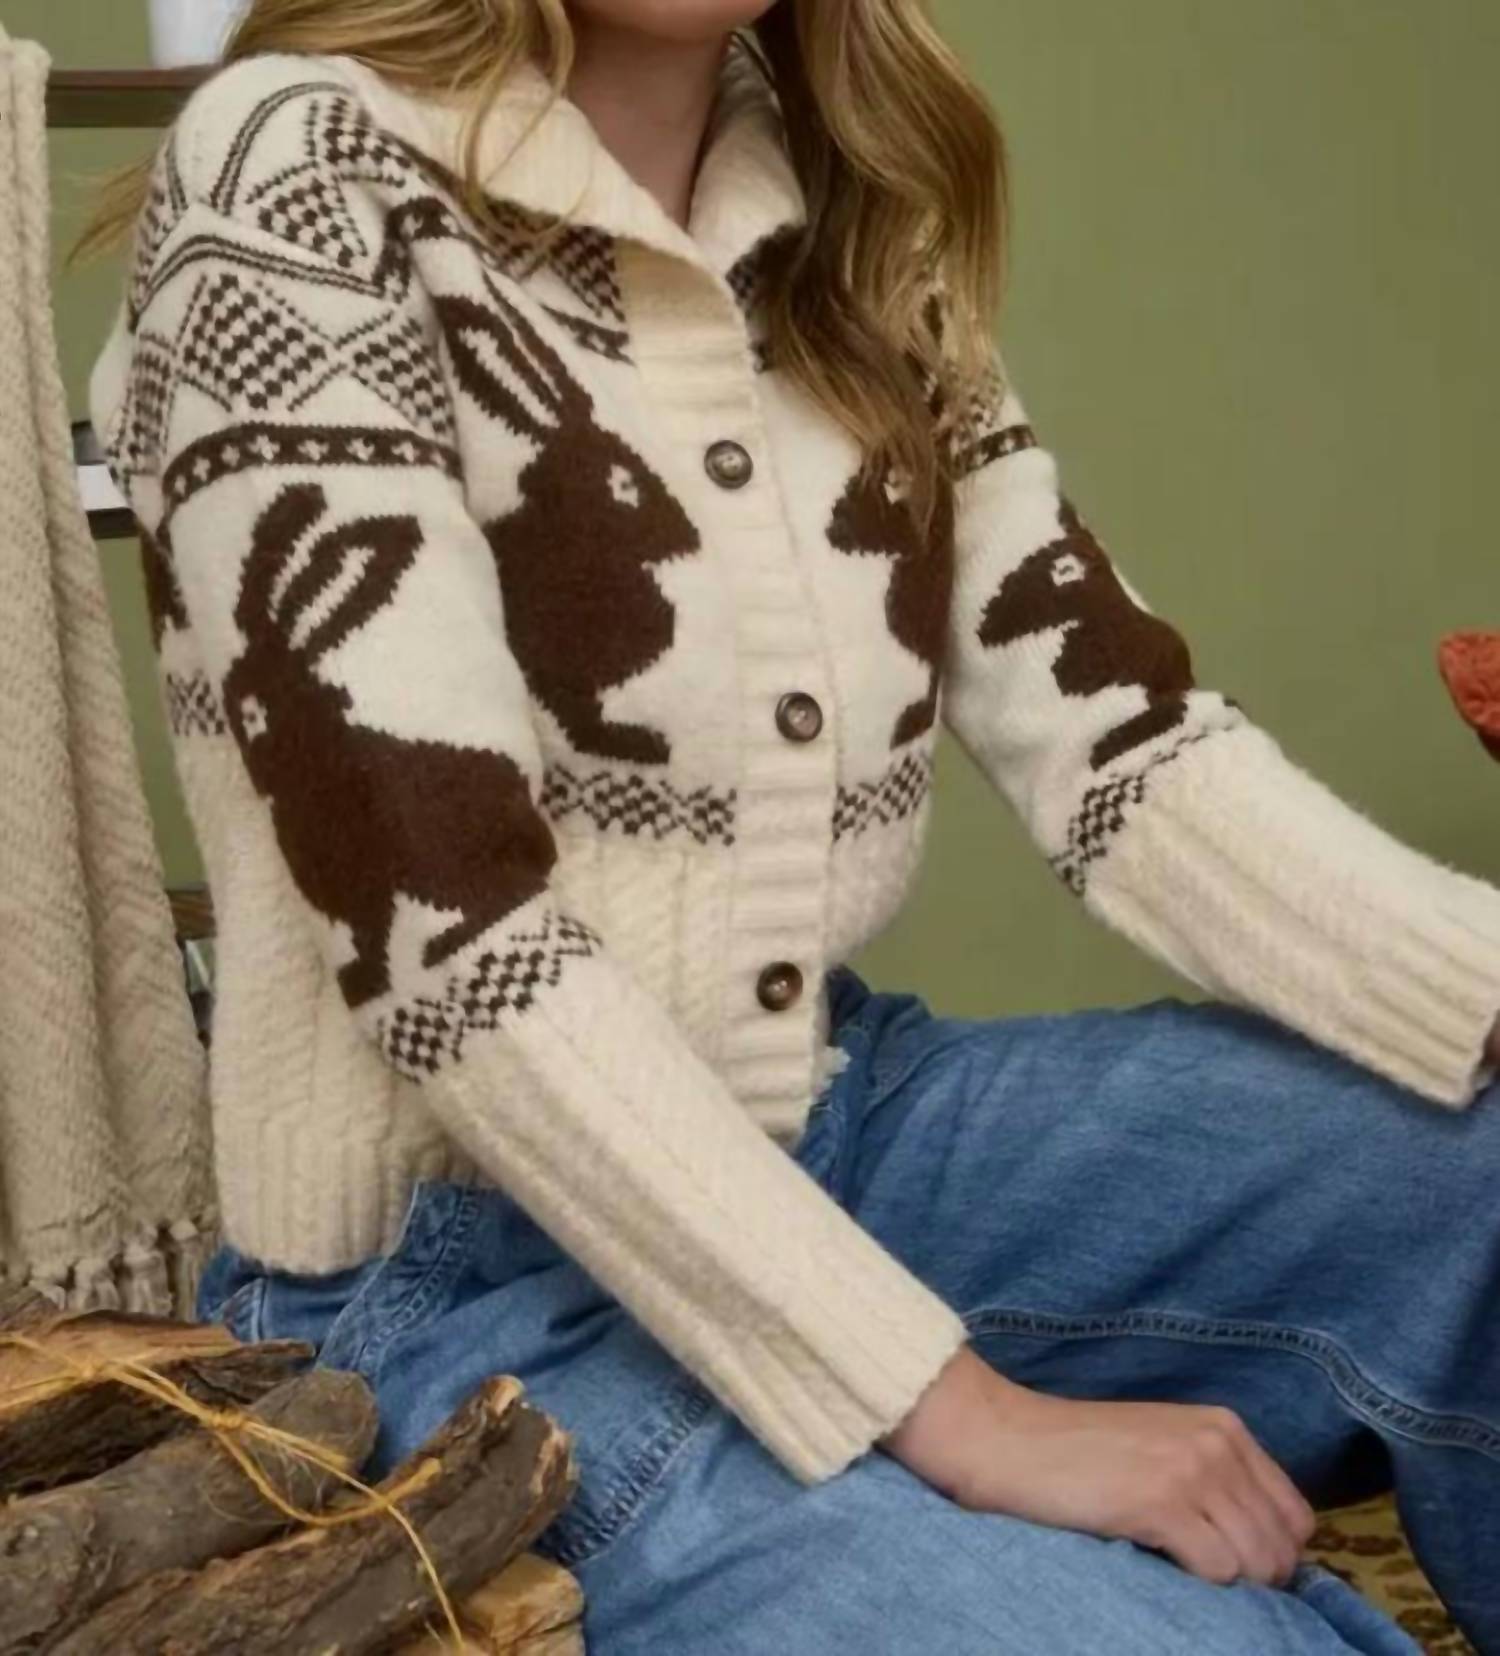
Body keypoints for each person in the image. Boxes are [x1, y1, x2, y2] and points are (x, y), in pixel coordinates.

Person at [81, 2, 1500, 1651]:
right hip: (457, 1287)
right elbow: (455, 945)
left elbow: (1124, 743)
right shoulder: (293, 169)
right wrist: (959, 1409)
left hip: (832, 1137)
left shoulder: (845, 206)